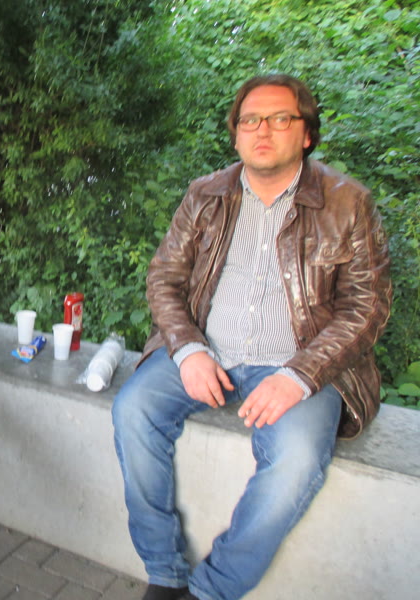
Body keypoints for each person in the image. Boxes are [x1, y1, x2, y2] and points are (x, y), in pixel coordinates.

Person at [112, 74, 391, 600]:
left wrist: (300, 375)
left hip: (301, 366)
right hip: (206, 350)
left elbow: (367, 306)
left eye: (280, 118)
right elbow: (164, 278)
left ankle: (211, 590)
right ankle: (163, 572)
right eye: (250, 120)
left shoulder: (348, 202)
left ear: (307, 133)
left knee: (297, 460)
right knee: (132, 410)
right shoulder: (205, 195)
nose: (263, 130)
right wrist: (188, 348)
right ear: (236, 134)